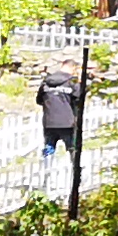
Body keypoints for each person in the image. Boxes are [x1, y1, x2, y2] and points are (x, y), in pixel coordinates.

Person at [35, 68, 84, 205]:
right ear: (72, 69)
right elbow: (79, 98)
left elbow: (39, 101)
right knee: (72, 149)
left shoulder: (45, 84)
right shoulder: (70, 84)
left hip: (49, 123)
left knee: (49, 148)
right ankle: (76, 176)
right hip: (67, 123)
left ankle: (46, 177)